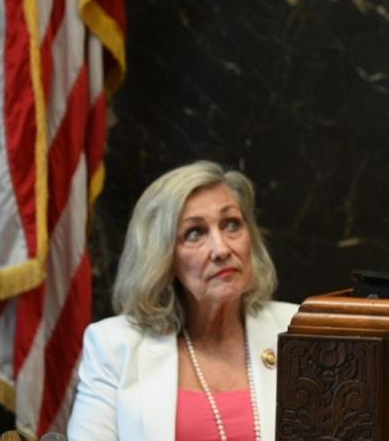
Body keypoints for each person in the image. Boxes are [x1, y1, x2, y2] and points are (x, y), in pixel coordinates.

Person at [67, 161, 297, 439]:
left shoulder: (299, 331)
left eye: (232, 225)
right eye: (195, 233)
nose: (221, 249)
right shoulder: (114, 347)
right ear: (163, 258)